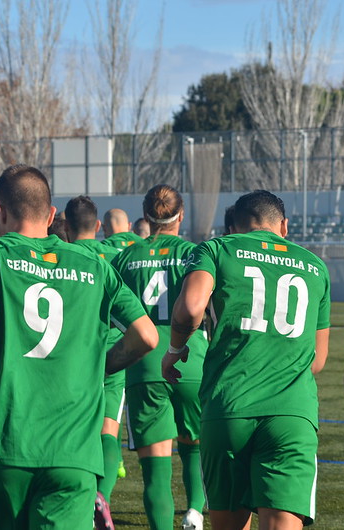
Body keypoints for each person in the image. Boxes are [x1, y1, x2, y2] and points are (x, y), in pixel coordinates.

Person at [0, 165, 158, 530]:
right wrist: (103, 365)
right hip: (74, 454)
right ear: (51, 216)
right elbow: (146, 336)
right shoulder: (95, 265)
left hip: (5, 445)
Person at [164, 189, 331, 530]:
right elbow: (318, 360)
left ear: (235, 226)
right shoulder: (315, 265)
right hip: (291, 412)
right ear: (283, 226)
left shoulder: (217, 249)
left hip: (228, 406)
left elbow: (190, 309)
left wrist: (176, 350)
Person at [111, 185, 207, 530]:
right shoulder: (197, 254)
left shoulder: (124, 257)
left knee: (155, 470)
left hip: (145, 365)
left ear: (146, 217)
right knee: (194, 445)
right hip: (191, 360)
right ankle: (195, 510)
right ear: (180, 215)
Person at [64, 195, 128, 516]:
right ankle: (100, 498)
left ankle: (77, 492)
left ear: (65, 224)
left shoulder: (61, 254)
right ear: (99, 226)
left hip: (71, 353)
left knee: (71, 427)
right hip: (112, 352)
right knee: (108, 430)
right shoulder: (119, 255)